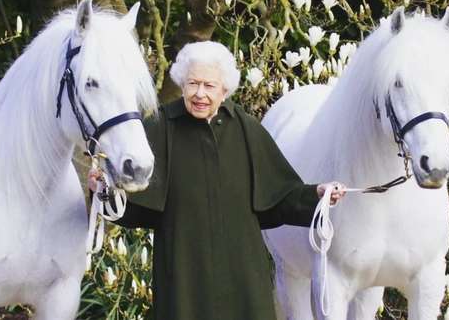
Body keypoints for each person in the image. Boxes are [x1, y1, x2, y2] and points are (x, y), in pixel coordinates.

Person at [88, 41, 346, 320]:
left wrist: (316, 196)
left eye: (209, 86)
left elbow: (279, 197)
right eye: (192, 84)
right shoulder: (161, 127)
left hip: (243, 279)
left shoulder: (246, 128)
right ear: (182, 84)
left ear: (225, 90)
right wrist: (105, 191)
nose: (199, 94)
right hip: (183, 278)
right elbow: (134, 204)